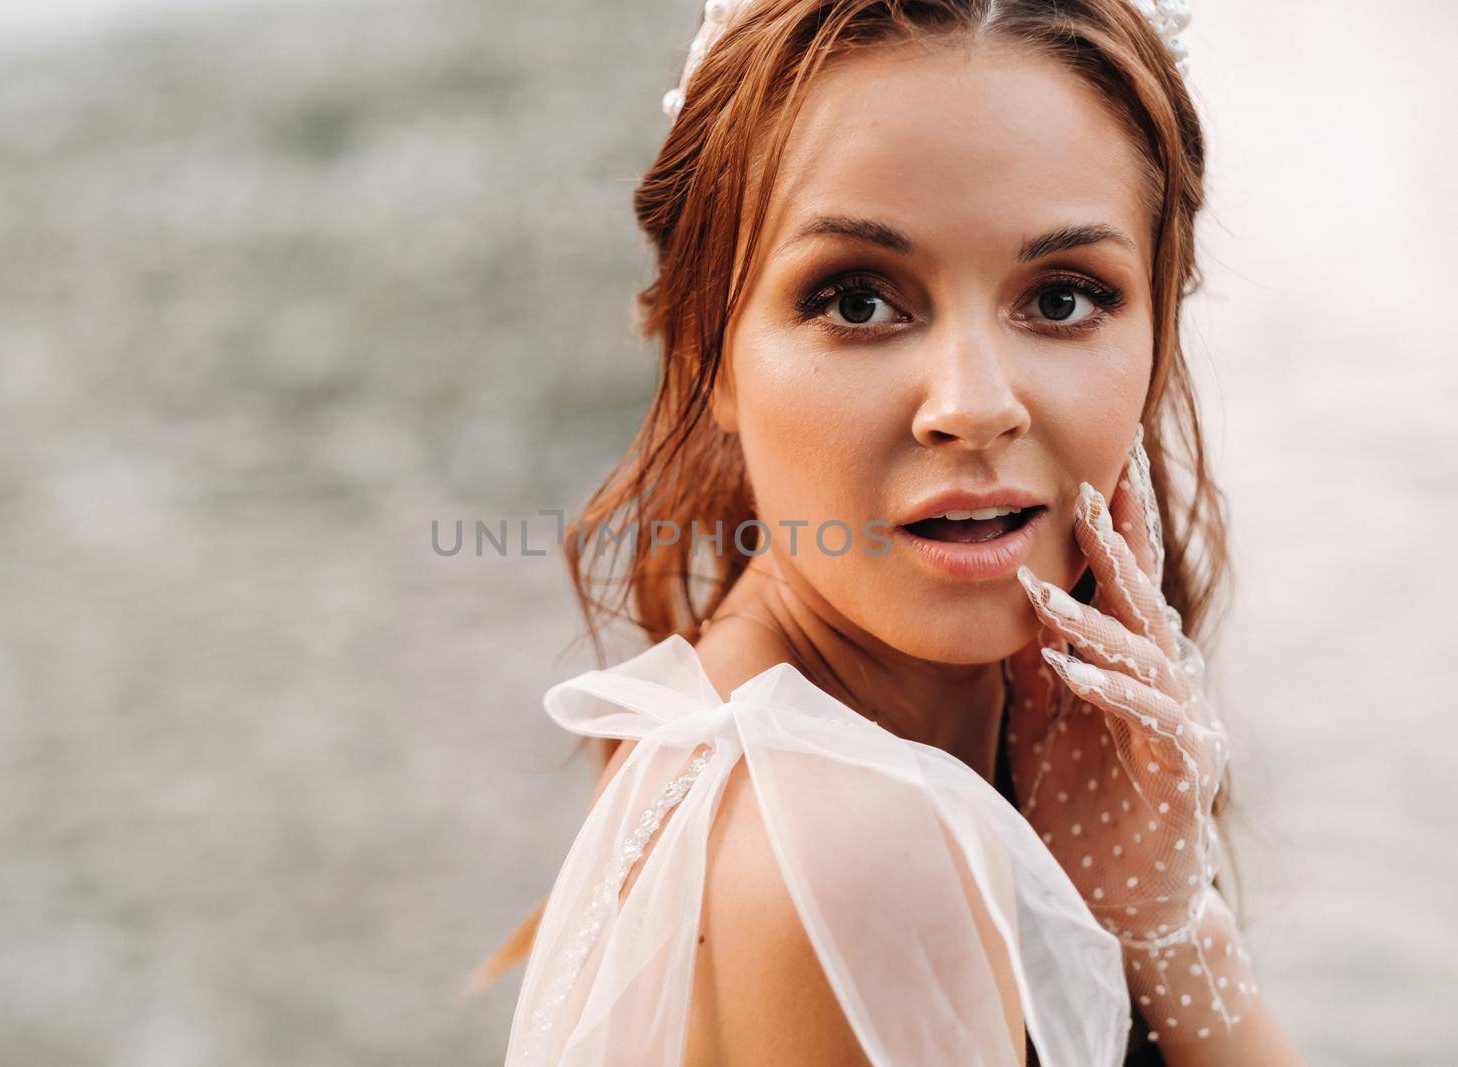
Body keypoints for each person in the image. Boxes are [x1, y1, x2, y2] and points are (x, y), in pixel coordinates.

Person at [475, 1, 1310, 1063]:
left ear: (1155, 334)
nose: (971, 403)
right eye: (858, 300)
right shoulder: (862, 846)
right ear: (704, 357)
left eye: (1060, 297)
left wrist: (1156, 916)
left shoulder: (726, 724)